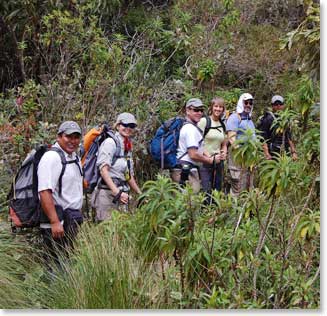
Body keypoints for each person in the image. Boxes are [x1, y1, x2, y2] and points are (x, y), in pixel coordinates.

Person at [38, 121, 84, 265]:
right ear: (59, 137)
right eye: (68, 136)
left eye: (76, 137)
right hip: (58, 223)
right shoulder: (51, 158)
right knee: (57, 268)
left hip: (71, 220)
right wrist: (55, 221)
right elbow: (44, 191)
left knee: (67, 264)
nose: (73, 141)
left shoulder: (73, 157)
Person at [91, 113, 142, 222]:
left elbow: (128, 175)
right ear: (118, 126)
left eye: (131, 126)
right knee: (105, 230)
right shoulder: (110, 143)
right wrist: (117, 192)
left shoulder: (127, 147)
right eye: (125, 124)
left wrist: (140, 194)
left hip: (122, 195)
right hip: (106, 194)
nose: (128, 128)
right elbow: (103, 170)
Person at [170, 98, 221, 193]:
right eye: (196, 110)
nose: (199, 113)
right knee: (190, 201)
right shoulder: (190, 129)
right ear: (188, 110)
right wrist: (210, 160)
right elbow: (193, 154)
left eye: (201, 110)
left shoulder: (189, 127)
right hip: (185, 170)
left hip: (184, 168)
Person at [226, 93, 256, 196]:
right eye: (246, 102)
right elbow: (231, 138)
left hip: (248, 158)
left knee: (247, 185)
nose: (248, 105)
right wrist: (241, 154)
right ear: (241, 103)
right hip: (237, 157)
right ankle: (232, 209)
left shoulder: (249, 120)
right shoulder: (235, 117)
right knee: (237, 185)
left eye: (250, 103)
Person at [198, 97, 228, 202]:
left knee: (217, 191)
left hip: (219, 162)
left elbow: (224, 143)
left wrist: (224, 152)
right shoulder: (204, 121)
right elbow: (198, 142)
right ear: (211, 107)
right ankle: (204, 215)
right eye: (216, 106)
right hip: (205, 162)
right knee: (206, 191)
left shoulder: (222, 124)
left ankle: (215, 214)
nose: (218, 109)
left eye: (220, 107)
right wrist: (209, 157)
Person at [257, 95, 297, 160]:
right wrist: (267, 154)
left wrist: (293, 152)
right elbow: (263, 138)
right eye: (276, 104)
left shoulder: (285, 119)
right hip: (272, 153)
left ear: (283, 105)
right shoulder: (268, 118)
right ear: (272, 106)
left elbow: (289, 137)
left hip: (285, 151)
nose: (278, 106)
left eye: (280, 104)